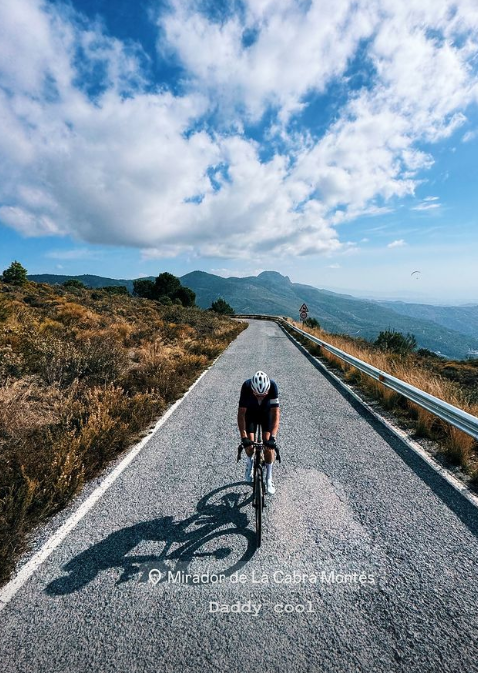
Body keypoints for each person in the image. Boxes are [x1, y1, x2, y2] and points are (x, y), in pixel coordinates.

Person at [237, 370, 280, 495]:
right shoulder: (246, 386)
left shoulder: (273, 386)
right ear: (252, 389)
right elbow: (241, 414)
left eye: (263, 395)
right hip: (251, 414)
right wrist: (243, 437)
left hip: (266, 414)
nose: (260, 398)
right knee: (249, 446)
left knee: (268, 447)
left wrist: (273, 437)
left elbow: (275, 413)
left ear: (268, 390)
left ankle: (269, 478)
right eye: (257, 395)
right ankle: (249, 462)